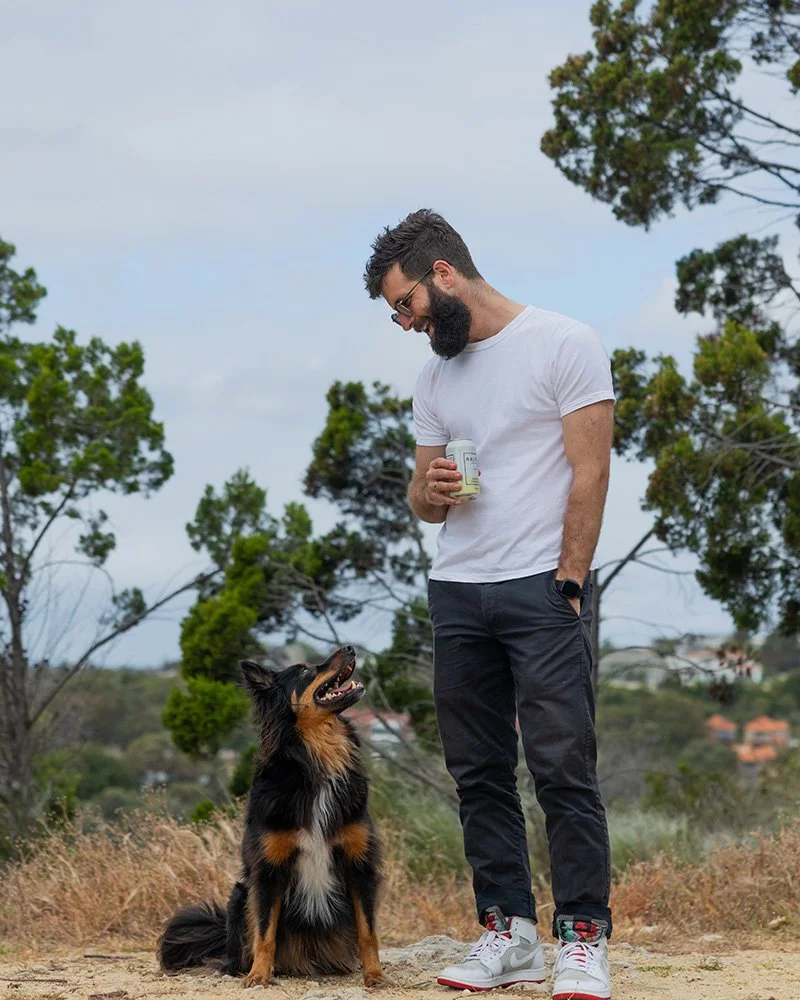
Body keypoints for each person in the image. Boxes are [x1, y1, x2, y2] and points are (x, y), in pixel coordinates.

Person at [363, 210, 615, 1000]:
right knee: (478, 773)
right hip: (458, 591)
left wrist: (569, 582)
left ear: (443, 274)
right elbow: (424, 501)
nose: (405, 324)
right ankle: (508, 933)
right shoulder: (435, 379)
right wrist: (427, 491)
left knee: (562, 767)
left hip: (542, 585)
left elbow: (591, 472)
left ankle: (581, 938)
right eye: (394, 315)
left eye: (405, 304)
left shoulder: (565, 343)